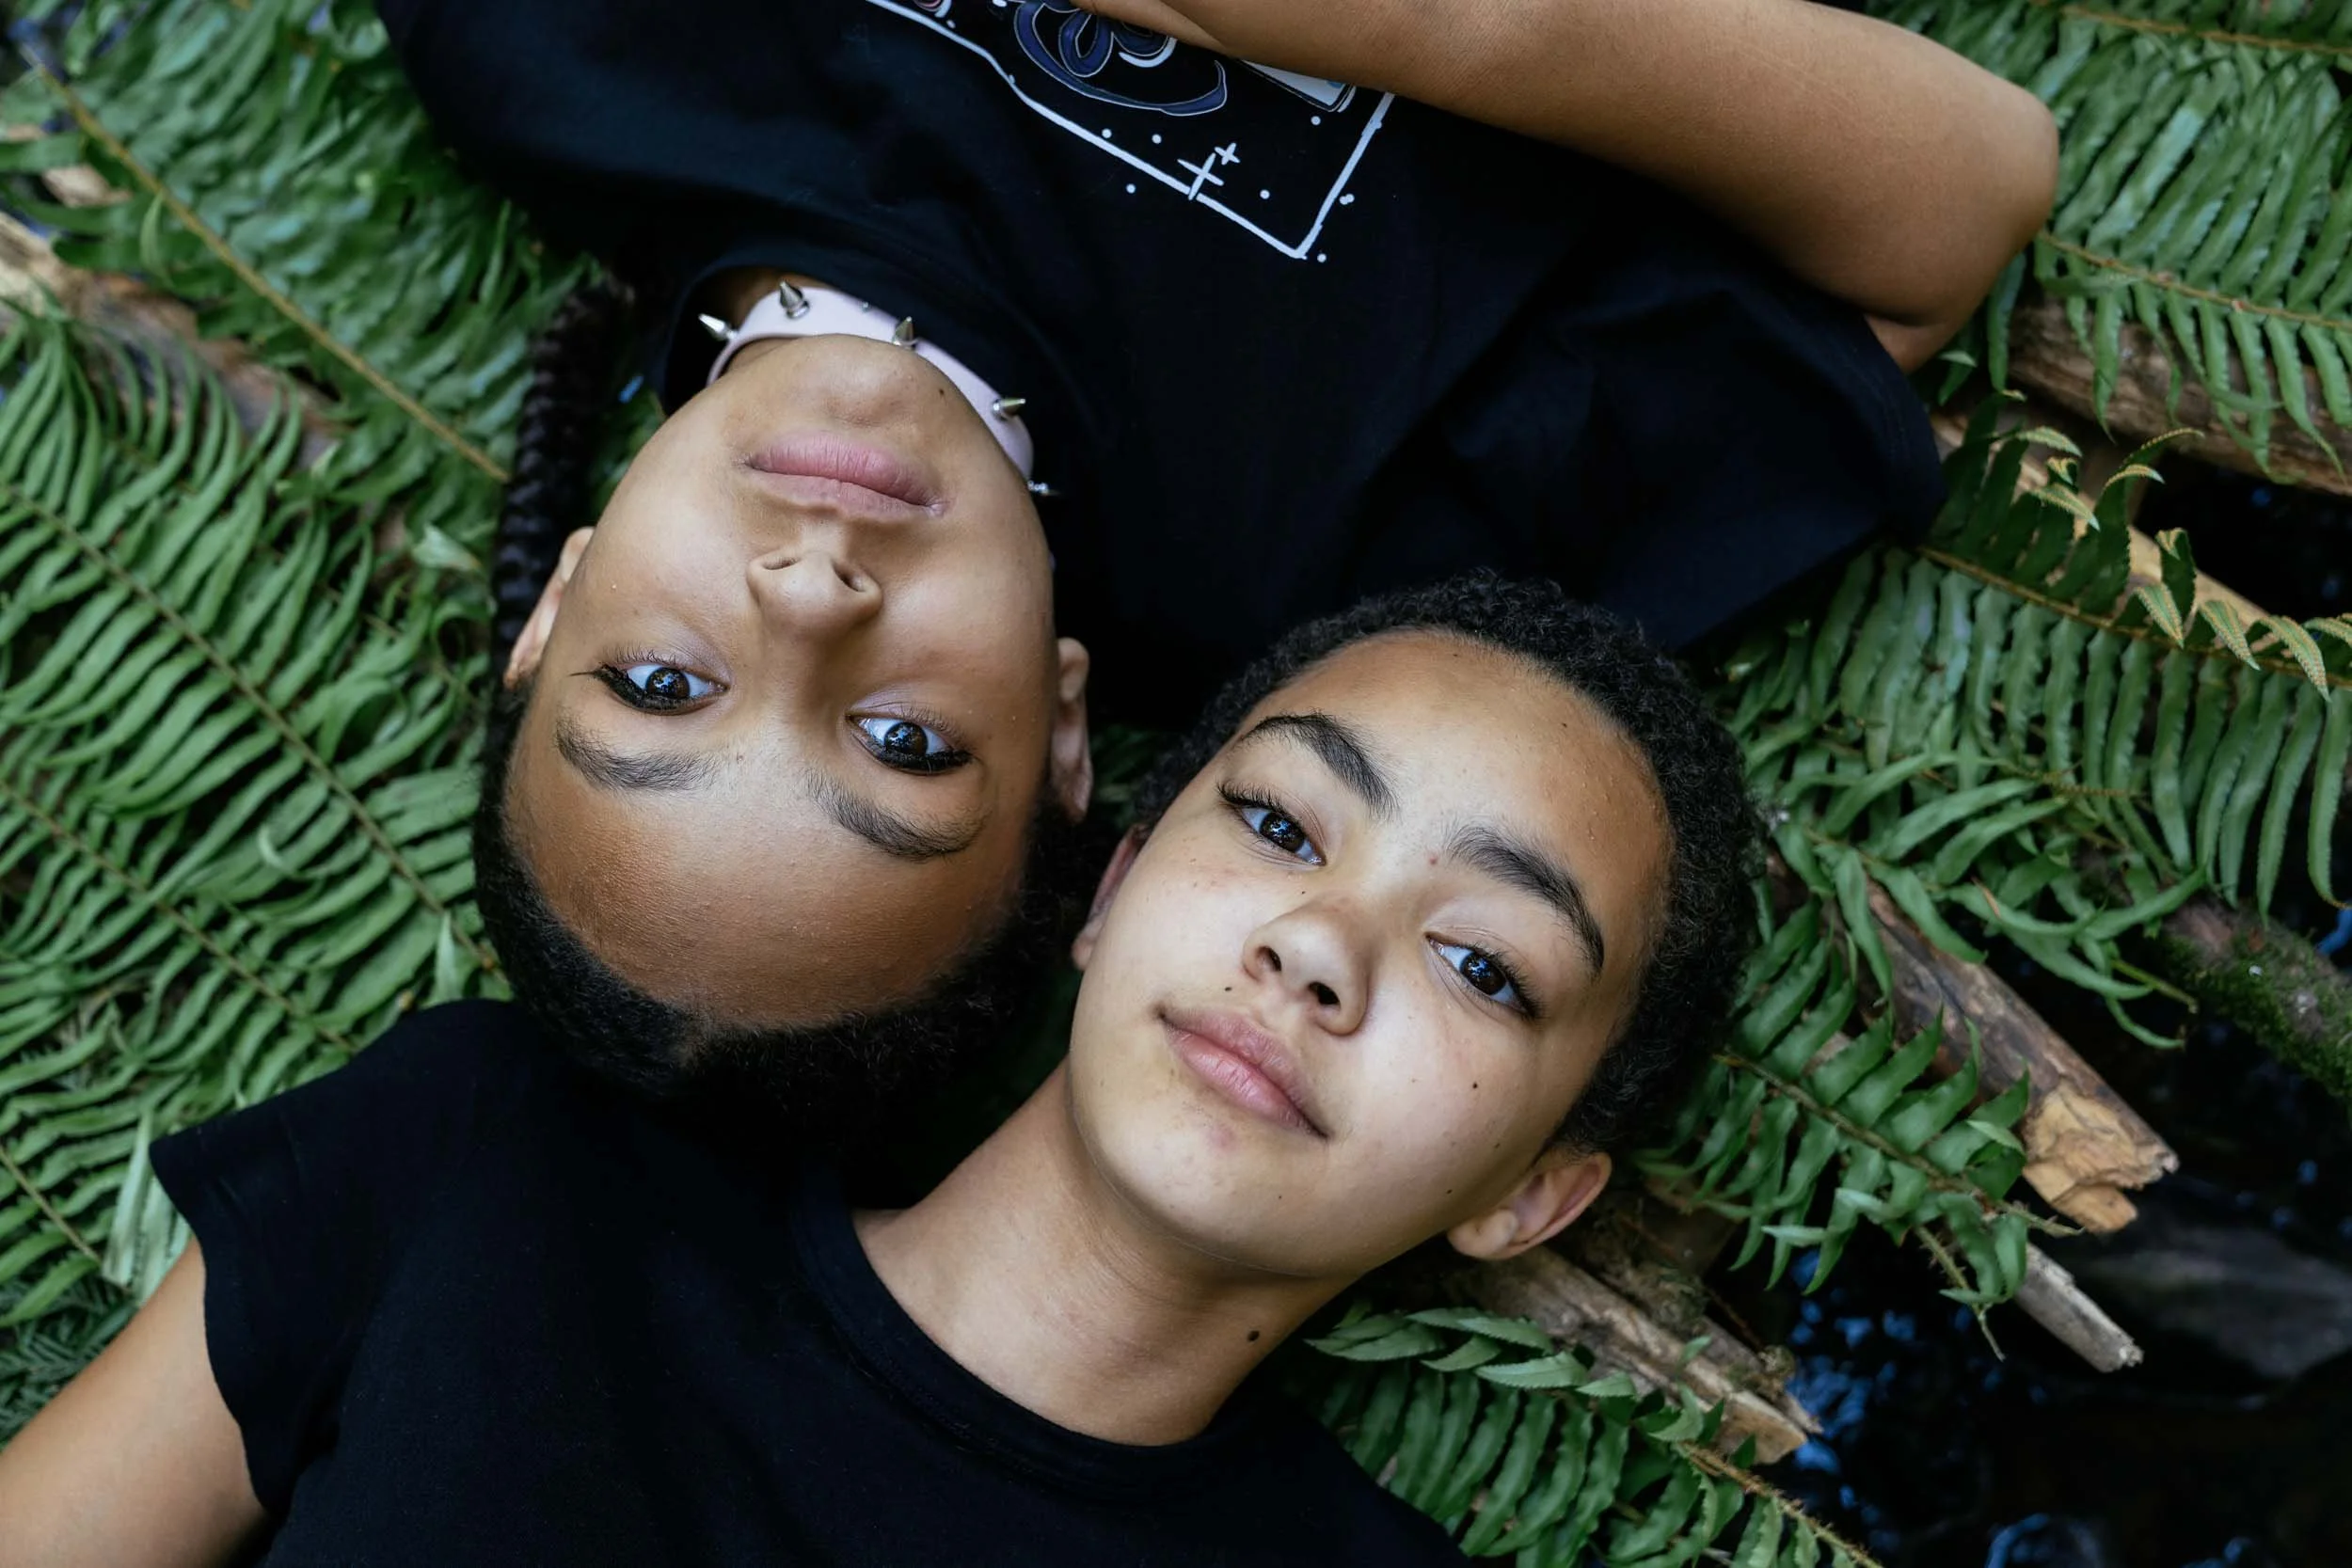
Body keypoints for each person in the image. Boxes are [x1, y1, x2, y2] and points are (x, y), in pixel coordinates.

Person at [388, 0, 2057, 1102]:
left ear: (553, 604)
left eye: (665, 684)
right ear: (1058, 740)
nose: (812, 601)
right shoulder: (1342, 544)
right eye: (903, 744)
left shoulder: (542, 40)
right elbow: (1955, 211)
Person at [0, 576, 1759, 1566]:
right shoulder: (513, 1150)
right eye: (1283, 819)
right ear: (1120, 886)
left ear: (1535, 1190)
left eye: (1481, 961)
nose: (1321, 944)